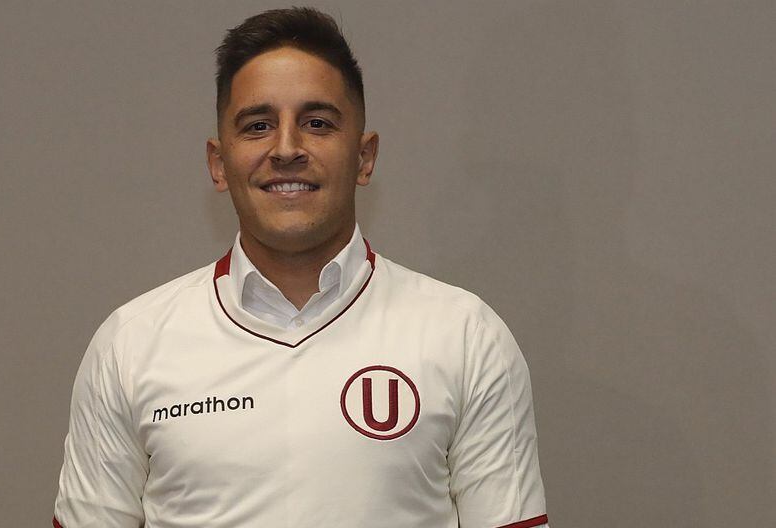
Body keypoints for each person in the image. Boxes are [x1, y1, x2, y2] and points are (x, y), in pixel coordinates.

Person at [52, 7, 548, 528]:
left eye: (317, 123)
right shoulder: (130, 345)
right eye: (258, 126)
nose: (286, 149)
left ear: (365, 157)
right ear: (218, 164)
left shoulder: (467, 336)